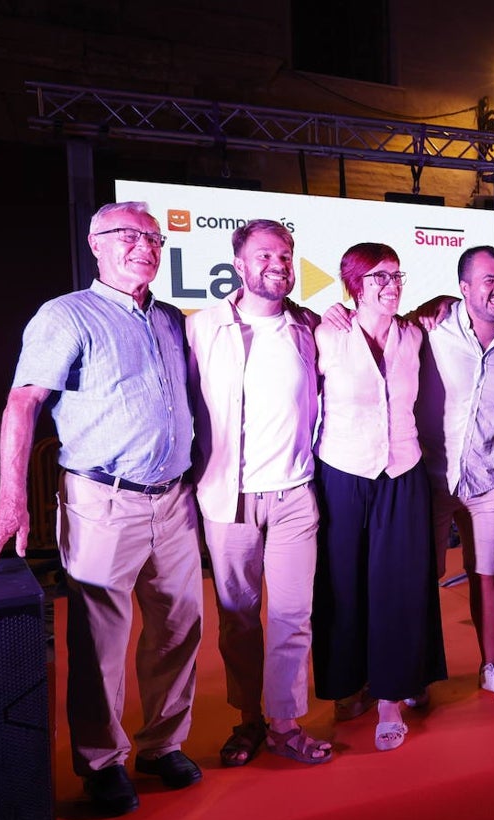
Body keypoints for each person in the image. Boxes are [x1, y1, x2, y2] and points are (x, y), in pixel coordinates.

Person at [0, 201, 203, 816]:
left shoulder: (172, 319)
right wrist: (9, 502)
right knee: (102, 641)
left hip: (174, 500)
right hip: (103, 499)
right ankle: (103, 762)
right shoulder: (66, 314)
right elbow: (23, 404)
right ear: (96, 244)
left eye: (153, 237)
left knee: (179, 629)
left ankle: (162, 744)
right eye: (128, 236)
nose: (145, 246)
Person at [185, 219, 332, 767]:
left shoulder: (309, 326)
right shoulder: (201, 329)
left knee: (294, 614)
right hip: (229, 497)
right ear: (240, 265)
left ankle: (285, 722)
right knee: (239, 618)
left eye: (287, 254)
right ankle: (248, 718)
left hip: (294, 495)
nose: (279, 263)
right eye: (266, 255)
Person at [311, 242, 447, 751]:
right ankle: (350, 684)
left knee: (400, 584)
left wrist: (441, 305)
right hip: (342, 471)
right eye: (378, 277)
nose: (391, 285)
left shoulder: (414, 334)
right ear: (353, 285)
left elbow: (450, 310)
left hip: (403, 470)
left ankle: (393, 693)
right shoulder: (326, 332)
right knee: (342, 582)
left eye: (395, 275)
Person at [416, 245, 494, 707]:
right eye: (488, 279)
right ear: (463, 288)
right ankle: (416, 672)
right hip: (431, 476)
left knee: (487, 573)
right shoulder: (432, 329)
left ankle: (492, 668)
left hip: (487, 479)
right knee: (423, 576)